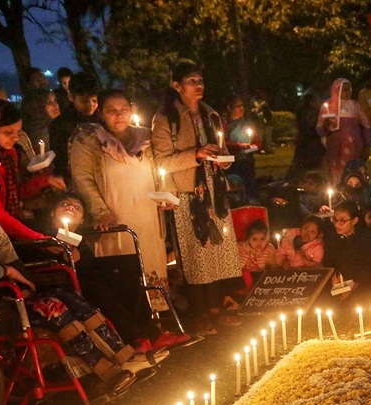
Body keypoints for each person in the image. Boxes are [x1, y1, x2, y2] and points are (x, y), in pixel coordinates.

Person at [0, 176, 137, 395]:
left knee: (68, 295)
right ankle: (102, 373)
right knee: (52, 307)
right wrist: (3, 272)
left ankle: (123, 355)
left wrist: (27, 284)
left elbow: (11, 258)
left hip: (8, 294)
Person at [151, 59, 241, 335]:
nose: (198, 85)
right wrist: (196, 155)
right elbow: (160, 161)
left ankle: (217, 307)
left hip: (213, 192)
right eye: (191, 81)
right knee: (195, 255)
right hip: (188, 195)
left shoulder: (210, 115)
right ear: (176, 85)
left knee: (218, 253)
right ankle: (200, 312)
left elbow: (220, 147)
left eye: (200, 80)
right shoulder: (167, 119)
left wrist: (222, 160)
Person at [69, 89, 171, 314]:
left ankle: (156, 314)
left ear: (132, 110)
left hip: (148, 216)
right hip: (115, 216)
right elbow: (83, 179)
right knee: (122, 266)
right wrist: (100, 211)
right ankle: (130, 319)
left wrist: (166, 193)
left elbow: (162, 171)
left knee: (150, 261)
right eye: (111, 110)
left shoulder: (146, 137)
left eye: (124, 109)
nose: (119, 115)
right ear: (101, 113)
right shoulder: (88, 140)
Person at [0, 99, 65, 242]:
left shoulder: (6, 154)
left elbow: (14, 193)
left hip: (9, 230)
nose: (15, 138)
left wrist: (44, 180)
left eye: (17, 131)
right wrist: (39, 240)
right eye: (8, 132)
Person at [49, 70, 100, 183]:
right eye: (84, 101)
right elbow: (60, 161)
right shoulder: (60, 125)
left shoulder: (103, 119)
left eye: (94, 100)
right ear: (71, 97)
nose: (90, 105)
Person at [319, 78, 370, 186]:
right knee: (335, 174)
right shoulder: (327, 106)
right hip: (335, 148)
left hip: (353, 148)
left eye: (349, 90)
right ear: (337, 90)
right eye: (344, 90)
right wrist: (326, 126)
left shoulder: (355, 106)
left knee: (352, 171)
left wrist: (367, 145)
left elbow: (366, 126)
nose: (348, 93)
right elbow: (320, 129)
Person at [323, 200, 371, 289]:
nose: (337, 224)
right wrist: (337, 282)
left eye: (342, 221)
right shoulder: (331, 238)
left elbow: (369, 265)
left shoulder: (365, 238)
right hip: (337, 284)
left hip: (362, 285)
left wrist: (355, 285)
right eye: (335, 220)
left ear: (354, 221)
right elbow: (328, 263)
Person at [224, 95, 259, 202]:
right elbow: (222, 142)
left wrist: (251, 148)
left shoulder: (247, 124)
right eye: (237, 106)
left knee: (248, 188)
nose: (241, 108)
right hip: (230, 163)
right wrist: (238, 145)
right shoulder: (224, 124)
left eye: (242, 106)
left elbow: (257, 143)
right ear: (230, 108)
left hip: (246, 162)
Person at [286, 92, 326, 181]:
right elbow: (312, 127)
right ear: (311, 102)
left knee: (300, 166)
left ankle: (294, 181)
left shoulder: (302, 112)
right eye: (316, 101)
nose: (318, 103)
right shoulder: (311, 113)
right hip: (311, 144)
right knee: (309, 167)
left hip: (304, 143)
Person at [237, 220, 278, 289]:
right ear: (249, 239)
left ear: (267, 238)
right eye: (254, 239)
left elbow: (273, 266)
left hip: (259, 277)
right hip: (242, 279)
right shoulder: (240, 248)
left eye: (262, 239)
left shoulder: (269, 249)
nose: (259, 243)